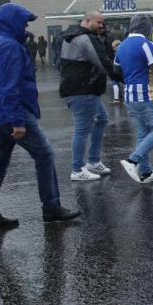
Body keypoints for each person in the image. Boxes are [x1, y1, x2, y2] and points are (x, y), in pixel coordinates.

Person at [0, 3, 81, 230]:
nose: (26, 25)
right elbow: (9, 87)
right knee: (44, 154)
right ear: (13, 21)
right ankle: (51, 208)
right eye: (24, 21)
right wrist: (17, 121)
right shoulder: (10, 48)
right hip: (13, 112)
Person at [59, 10, 120, 181]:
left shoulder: (70, 36)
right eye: (99, 22)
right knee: (82, 128)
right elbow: (103, 62)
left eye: (103, 23)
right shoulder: (85, 39)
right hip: (82, 89)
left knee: (101, 120)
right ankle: (77, 169)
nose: (102, 25)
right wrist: (124, 79)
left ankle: (93, 161)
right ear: (87, 21)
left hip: (82, 88)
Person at [113, 14, 153, 183]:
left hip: (130, 95)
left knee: (143, 133)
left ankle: (145, 172)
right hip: (146, 94)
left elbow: (116, 71)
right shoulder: (146, 44)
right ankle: (133, 160)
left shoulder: (121, 46)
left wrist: (129, 82)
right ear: (147, 28)